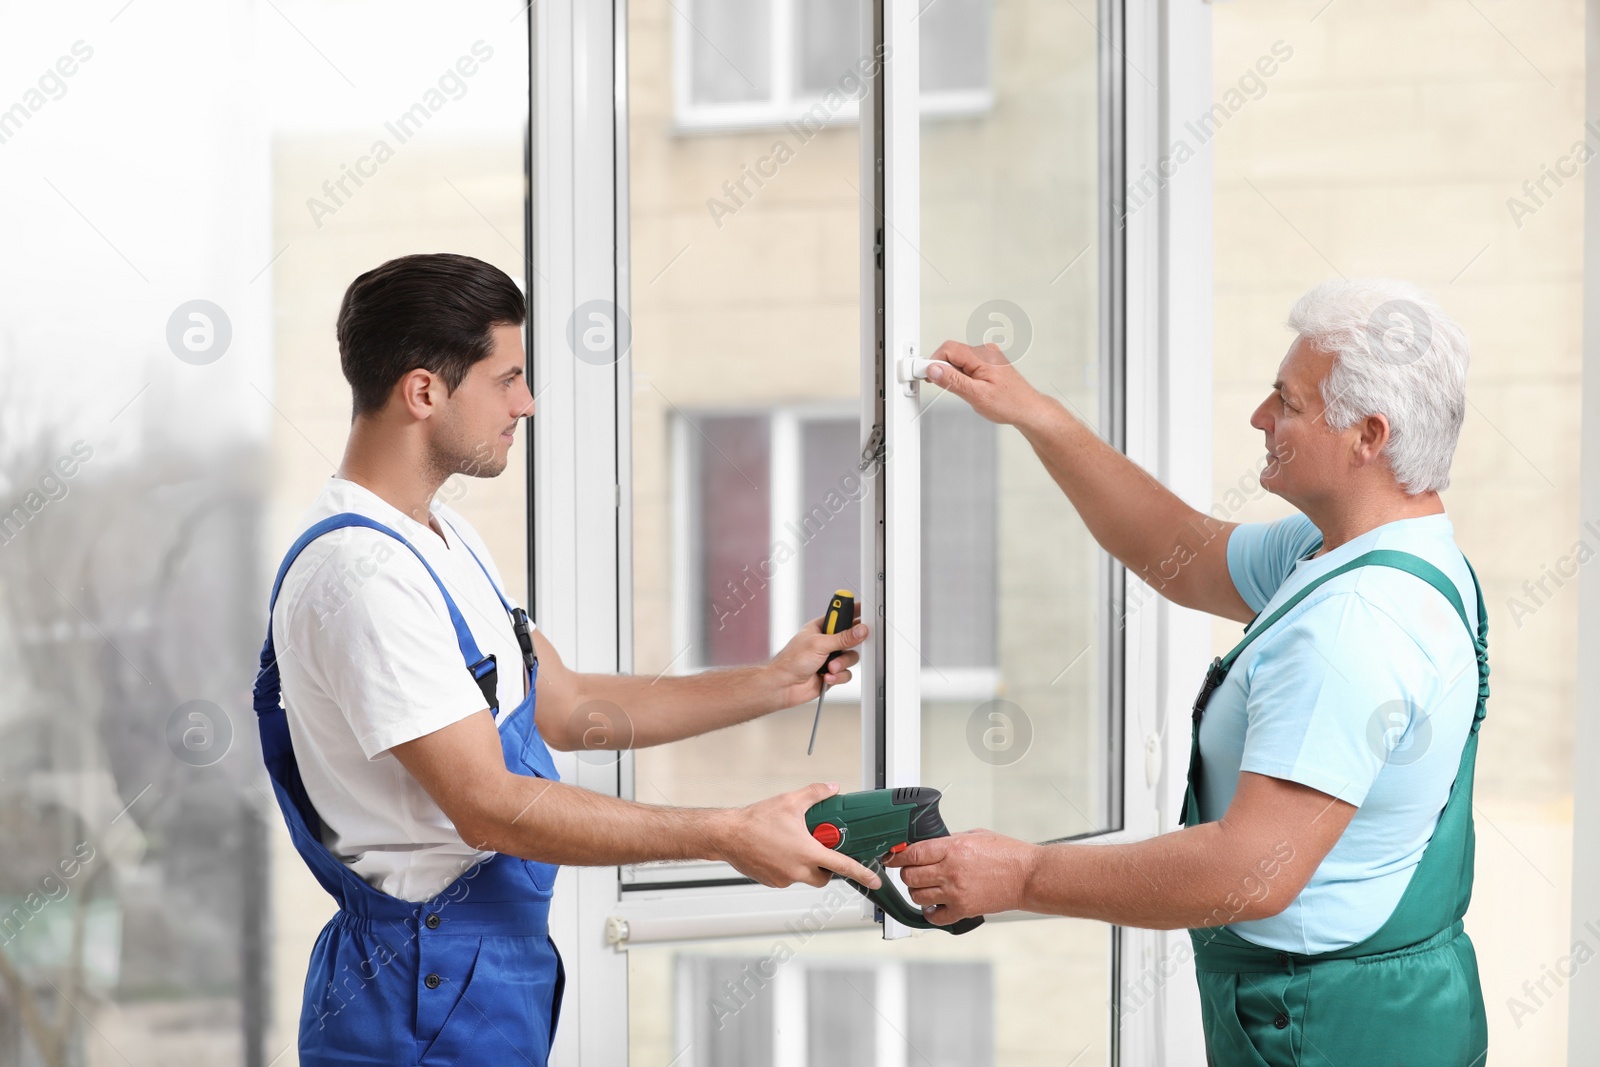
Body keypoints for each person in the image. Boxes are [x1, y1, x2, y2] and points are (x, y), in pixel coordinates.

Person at [251, 252, 879, 1066]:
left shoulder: (442, 537)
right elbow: (486, 804)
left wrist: (769, 682)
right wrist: (728, 833)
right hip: (419, 988)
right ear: (423, 391)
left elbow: (565, 704)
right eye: (507, 378)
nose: (527, 402)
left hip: (477, 972)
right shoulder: (359, 576)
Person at [887, 279, 1488, 1064]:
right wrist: (1034, 411)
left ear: (1368, 435)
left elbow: (1249, 871)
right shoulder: (1375, 554)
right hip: (1402, 1003)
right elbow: (1178, 550)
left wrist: (1024, 874)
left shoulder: (1356, 626)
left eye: (1287, 402)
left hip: (1328, 1026)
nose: (1259, 418)